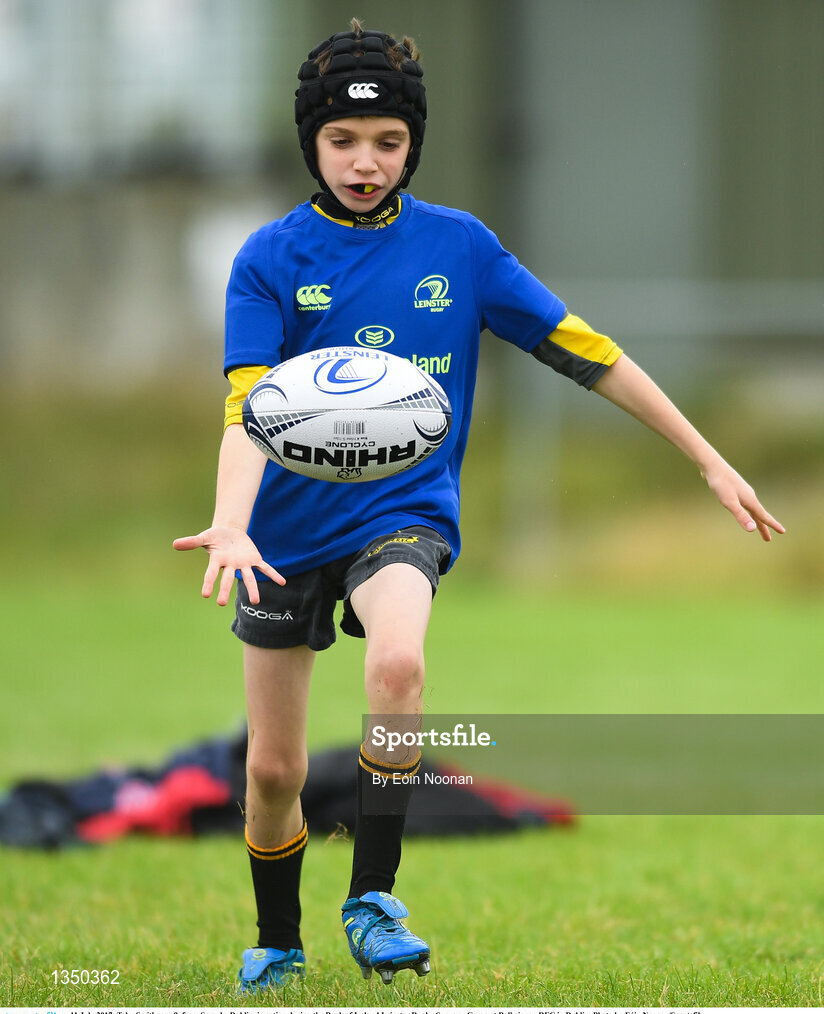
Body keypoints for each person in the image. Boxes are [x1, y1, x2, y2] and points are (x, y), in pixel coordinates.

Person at [173, 19, 784, 992]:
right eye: (341, 141)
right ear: (310, 144)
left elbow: (589, 354)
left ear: (413, 143)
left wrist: (706, 459)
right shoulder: (269, 258)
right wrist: (234, 518)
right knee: (273, 774)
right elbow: (246, 409)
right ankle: (278, 940)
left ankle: (372, 897)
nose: (364, 162)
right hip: (282, 530)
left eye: (385, 142)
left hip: (401, 515)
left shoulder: (459, 249)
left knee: (400, 659)